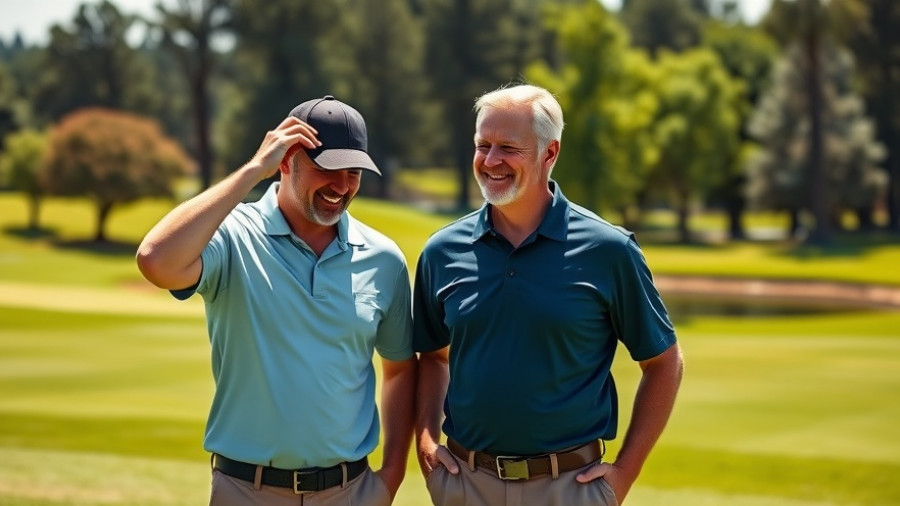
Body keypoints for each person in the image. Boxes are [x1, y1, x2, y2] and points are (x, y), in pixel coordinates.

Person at [136, 95, 416, 506]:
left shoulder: (383, 258)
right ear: (286, 161)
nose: (341, 186)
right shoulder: (232, 236)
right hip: (247, 491)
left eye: (353, 172)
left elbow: (400, 370)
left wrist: (390, 477)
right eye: (328, 169)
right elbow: (156, 260)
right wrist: (252, 170)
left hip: (351, 493)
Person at [413, 84, 684, 505]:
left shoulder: (609, 250)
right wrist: (427, 442)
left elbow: (664, 363)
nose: (490, 160)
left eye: (508, 147)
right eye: (482, 145)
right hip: (465, 485)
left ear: (549, 154)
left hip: (568, 489)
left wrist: (622, 476)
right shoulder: (441, 251)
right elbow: (432, 355)